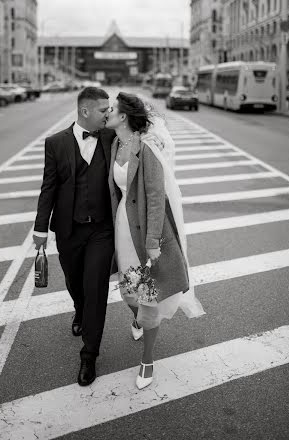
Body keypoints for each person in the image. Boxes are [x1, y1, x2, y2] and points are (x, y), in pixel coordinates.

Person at [106, 92, 205, 390]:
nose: (107, 112)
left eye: (111, 109)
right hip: (121, 228)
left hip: (144, 232)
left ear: (123, 117)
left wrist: (153, 241)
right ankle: (138, 319)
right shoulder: (115, 143)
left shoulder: (146, 148)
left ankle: (147, 360)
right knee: (128, 292)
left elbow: (155, 198)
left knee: (147, 297)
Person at [33, 86, 115, 387]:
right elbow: (49, 188)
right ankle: (79, 308)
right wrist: (40, 228)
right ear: (85, 111)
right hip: (68, 229)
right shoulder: (55, 143)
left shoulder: (112, 137)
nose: (108, 113)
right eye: (104, 109)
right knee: (74, 281)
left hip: (102, 230)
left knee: (96, 287)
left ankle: (89, 354)